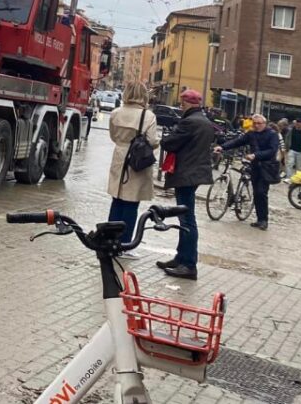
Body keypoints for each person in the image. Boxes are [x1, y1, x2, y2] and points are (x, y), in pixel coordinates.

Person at [156, 88, 217, 280]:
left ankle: (189, 264)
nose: (180, 107)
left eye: (182, 104)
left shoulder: (190, 121)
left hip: (187, 173)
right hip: (195, 173)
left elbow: (169, 143)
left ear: (189, 104)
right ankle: (181, 257)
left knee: (187, 219)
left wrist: (166, 138)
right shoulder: (205, 121)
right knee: (186, 217)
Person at [106, 81, 161, 247]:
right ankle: (125, 242)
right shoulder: (148, 116)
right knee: (131, 202)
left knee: (117, 198)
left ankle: (109, 237)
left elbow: (113, 136)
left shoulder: (116, 113)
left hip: (120, 156)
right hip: (138, 158)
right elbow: (152, 141)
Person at [216, 113, 281, 230]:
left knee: (262, 193)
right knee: (256, 193)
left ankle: (263, 220)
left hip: (267, 167)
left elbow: (272, 151)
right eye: (254, 123)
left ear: (264, 124)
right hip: (255, 167)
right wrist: (223, 147)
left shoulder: (272, 135)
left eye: (259, 123)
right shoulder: (251, 134)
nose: (256, 126)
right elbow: (237, 142)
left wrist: (255, 155)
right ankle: (259, 219)